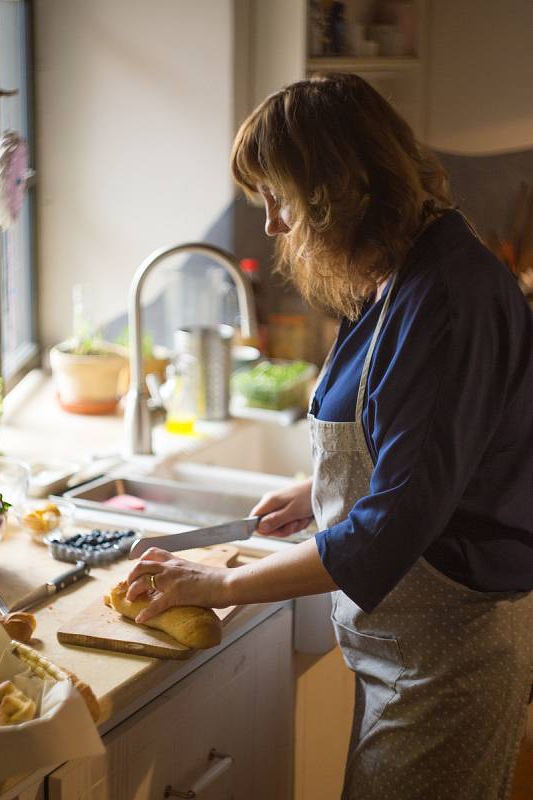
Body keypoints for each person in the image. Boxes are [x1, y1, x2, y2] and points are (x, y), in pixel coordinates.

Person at [127, 74, 533, 799]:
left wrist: (223, 582)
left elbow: (391, 526)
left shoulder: (445, 298)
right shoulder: (392, 276)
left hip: (451, 657)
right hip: (407, 650)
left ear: (333, 190)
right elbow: (406, 445)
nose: (273, 226)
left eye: (277, 198)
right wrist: (310, 493)